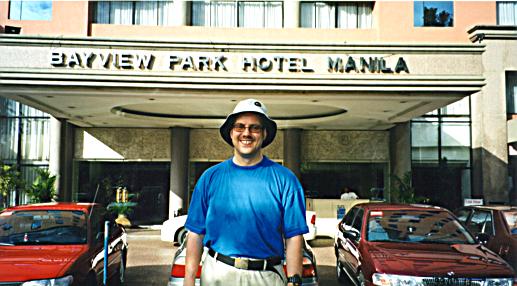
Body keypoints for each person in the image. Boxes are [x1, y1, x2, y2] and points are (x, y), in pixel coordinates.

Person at [184, 98, 308, 286]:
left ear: (264, 134)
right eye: (240, 127)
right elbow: (195, 233)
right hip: (218, 273)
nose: (246, 133)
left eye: (254, 128)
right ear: (231, 133)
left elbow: (293, 236)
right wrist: (189, 279)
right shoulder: (210, 177)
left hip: (267, 276)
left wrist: (294, 280)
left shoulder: (286, 180)